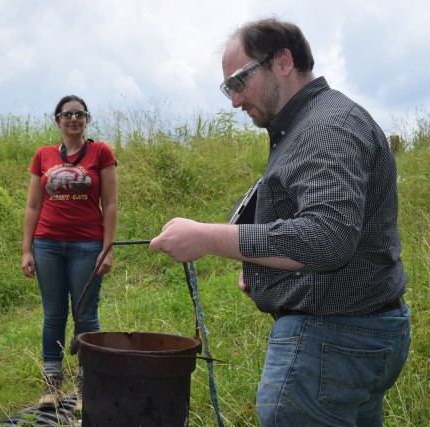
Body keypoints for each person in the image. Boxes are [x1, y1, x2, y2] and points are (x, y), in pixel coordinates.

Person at [150, 18, 411, 426]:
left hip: (332, 340)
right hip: (359, 335)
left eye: (238, 82)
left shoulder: (324, 130)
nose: (234, 101)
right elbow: (334, 233)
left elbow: (326, 240)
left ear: (283, 61)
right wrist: (263, 268)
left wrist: (206, 237)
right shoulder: (313, 122)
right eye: (227, 89)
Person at [21, 95, 118, 411]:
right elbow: (33, 205)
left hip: (87, 245)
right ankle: (52, 384)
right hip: (47, 244)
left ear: (86, 119)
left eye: (79, 114)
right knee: (53, 314)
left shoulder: (100, 152)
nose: (73, 119)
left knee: (85, 314)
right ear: (57, 120)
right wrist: (27, 250)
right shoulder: (43, 156)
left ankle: (87, 385)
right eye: (67, 114)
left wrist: (107, 249)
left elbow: (111, 204)